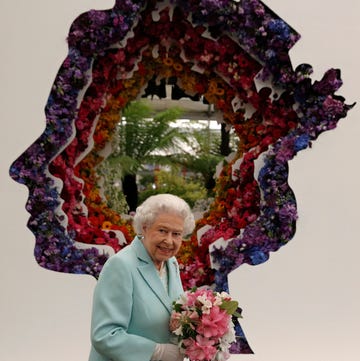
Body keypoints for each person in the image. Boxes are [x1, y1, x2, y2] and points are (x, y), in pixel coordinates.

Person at [89, 193, 195, 361]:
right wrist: (157, 352)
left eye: (176, 234)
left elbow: (171, 309)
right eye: (162, 230)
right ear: (144, 227)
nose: (169, 241)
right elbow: (105, 335)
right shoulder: (121, 265)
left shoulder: (170, 262)